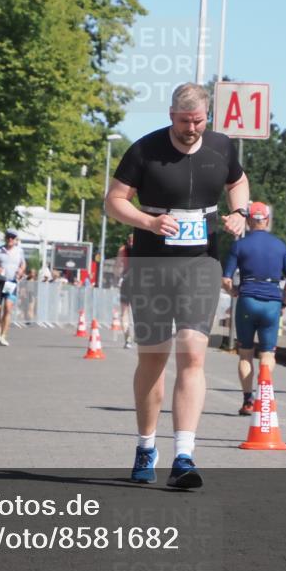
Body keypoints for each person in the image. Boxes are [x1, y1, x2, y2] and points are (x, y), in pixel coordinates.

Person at [105, 82, 249, 489]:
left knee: (192, 353)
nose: (191, 129)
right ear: (171, 116)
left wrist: (239, 212)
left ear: (207, 117)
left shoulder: (221, 147)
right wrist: (148, 222)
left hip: (201, 264)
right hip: (151, 266)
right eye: (184, 121)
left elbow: (238, 182)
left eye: (198, 121)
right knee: (153, 359)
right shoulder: (144, 150)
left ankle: (184, 455)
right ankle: (145, 446)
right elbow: (113, 201)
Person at [222, 202, 286, 415]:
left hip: (247, 300)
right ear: (267, 220)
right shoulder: (280, 246)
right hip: (272, 302)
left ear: (248, 221)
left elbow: (226, 279)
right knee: (267, 354)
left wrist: (234, 291)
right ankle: (264, 397)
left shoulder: (239, 245)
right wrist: (284, 300)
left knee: (245, 353)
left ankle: (247, 401)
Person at [0, 229, 26, 346]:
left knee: (8, 307)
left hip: (10, 282)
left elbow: (23, 264)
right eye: (8, 237)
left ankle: (3, 336)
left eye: (12, 237)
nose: (10, 239)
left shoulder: (19, 251)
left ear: (16, 240)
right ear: (5, 238)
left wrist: (21, 271)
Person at [115, 233, 135, 348]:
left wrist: (117, 278)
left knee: (124, 312)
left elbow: (117, 266)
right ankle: (139, 335)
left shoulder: (123, 250)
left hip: (126, 280)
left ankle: (128, 339)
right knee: (141, 311)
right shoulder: (144, 249)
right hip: (140, 282)